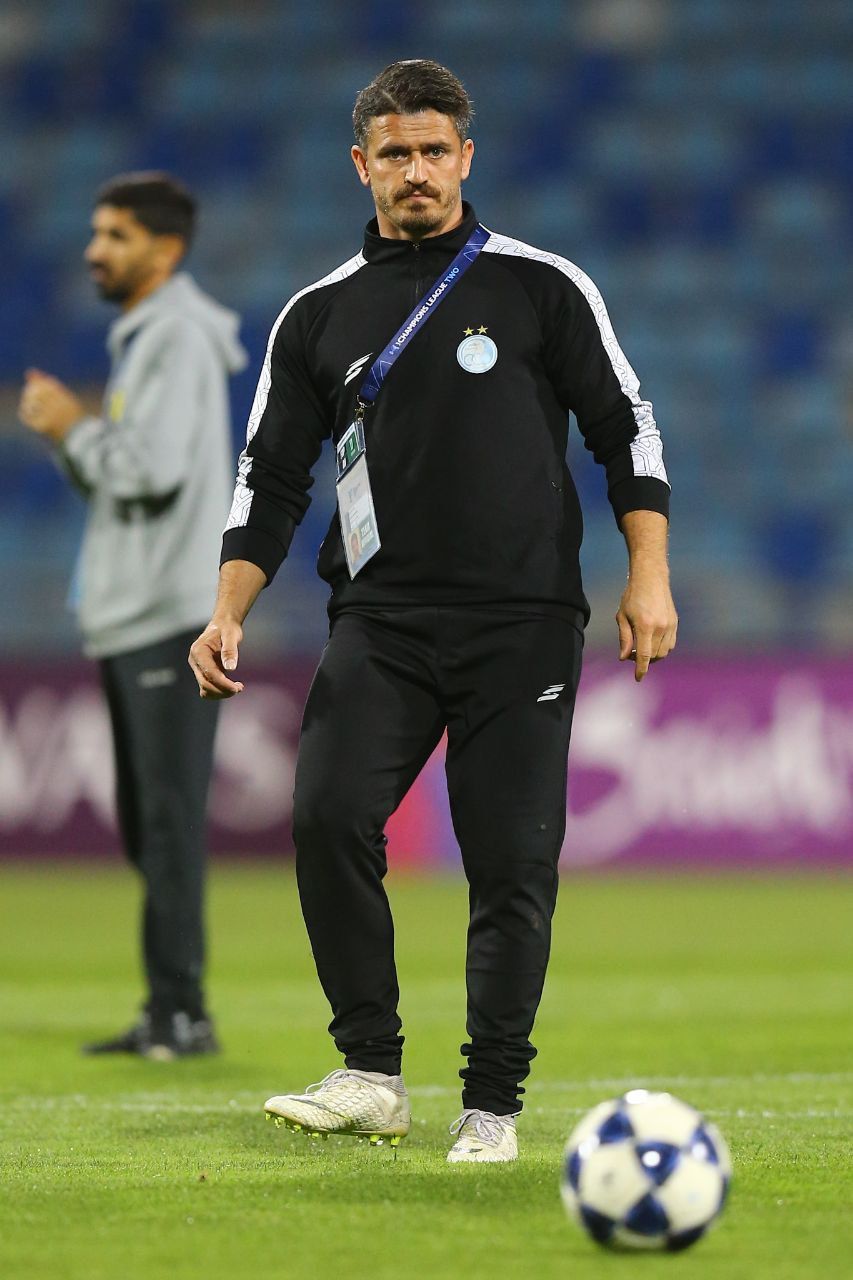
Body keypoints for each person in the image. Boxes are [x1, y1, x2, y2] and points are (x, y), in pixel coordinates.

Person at [189, 60, 677, 1159]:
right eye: (395, 154)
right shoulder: (316, 315)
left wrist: (647, 573)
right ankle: (370, 1071)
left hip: (522, 620)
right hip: (382, 621)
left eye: (433, 151)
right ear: (360, 165)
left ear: (466, 157)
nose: (416, 171)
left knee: (509, 862)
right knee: (325, 817)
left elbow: (626, 428)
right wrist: (227, 609)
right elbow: (269, 477)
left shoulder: (543, 286)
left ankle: (491, 1104)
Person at [19, 172, 247, 1060]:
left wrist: (72, 426)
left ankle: (182, 1013)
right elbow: (133, 475)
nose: (95, 250)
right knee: (150, 824)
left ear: (166, 248)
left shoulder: (175, 338)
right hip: (140, 613)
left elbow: (150, 472)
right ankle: (168, 1007)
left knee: (166, 824)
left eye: (115, 235)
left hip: (166, 614)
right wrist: (78, 434)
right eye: (95, 233)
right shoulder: (153, 335)